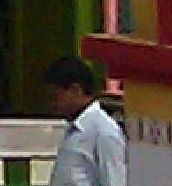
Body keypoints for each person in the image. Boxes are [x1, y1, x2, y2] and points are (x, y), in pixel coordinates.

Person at [46, 56, 124, 186]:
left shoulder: (104, 132)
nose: (52, 104)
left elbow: (115, 180)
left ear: (75, 90)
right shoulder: (72, 129)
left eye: (55, 96)